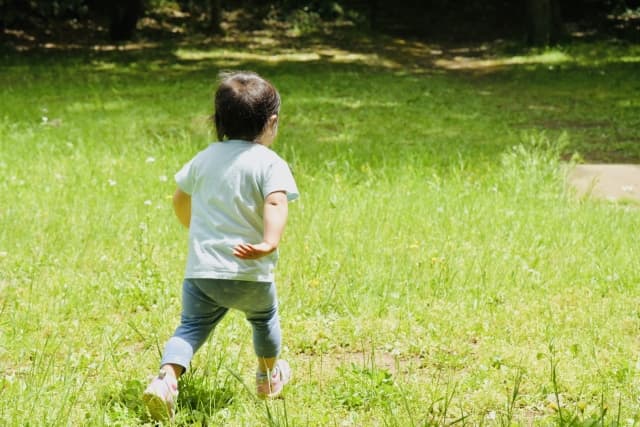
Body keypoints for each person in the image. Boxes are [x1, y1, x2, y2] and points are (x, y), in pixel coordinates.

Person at [142, 71, 299, 421]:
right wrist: (268, 242)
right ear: (271, 122)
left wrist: (190, 225)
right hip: (250, 273)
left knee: (191, 327)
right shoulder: (270, 163)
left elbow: (180, 196)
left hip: (203, 272)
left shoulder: (205, 158)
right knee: (265, 319)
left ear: (218, 121)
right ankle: (267, 376)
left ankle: (166, 379)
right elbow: (276, 202)